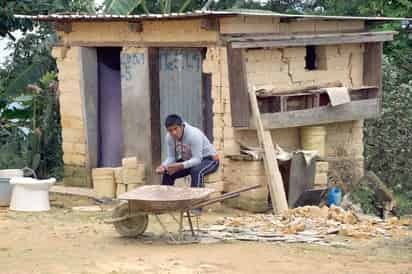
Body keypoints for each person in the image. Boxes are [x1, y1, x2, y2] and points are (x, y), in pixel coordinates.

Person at [156, 114, 219, 188]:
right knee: (168, 172)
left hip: (209, 159)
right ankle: (166, 198)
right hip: (189, 159)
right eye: (170, 130)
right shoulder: (169, 137)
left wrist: (181, 165)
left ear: (182, 126)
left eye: (176, 129)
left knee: (196, 171)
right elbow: (171, 157)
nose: (174, 133)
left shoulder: (193, 134)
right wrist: (163, 166)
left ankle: (196, 199)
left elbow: (197, 159)